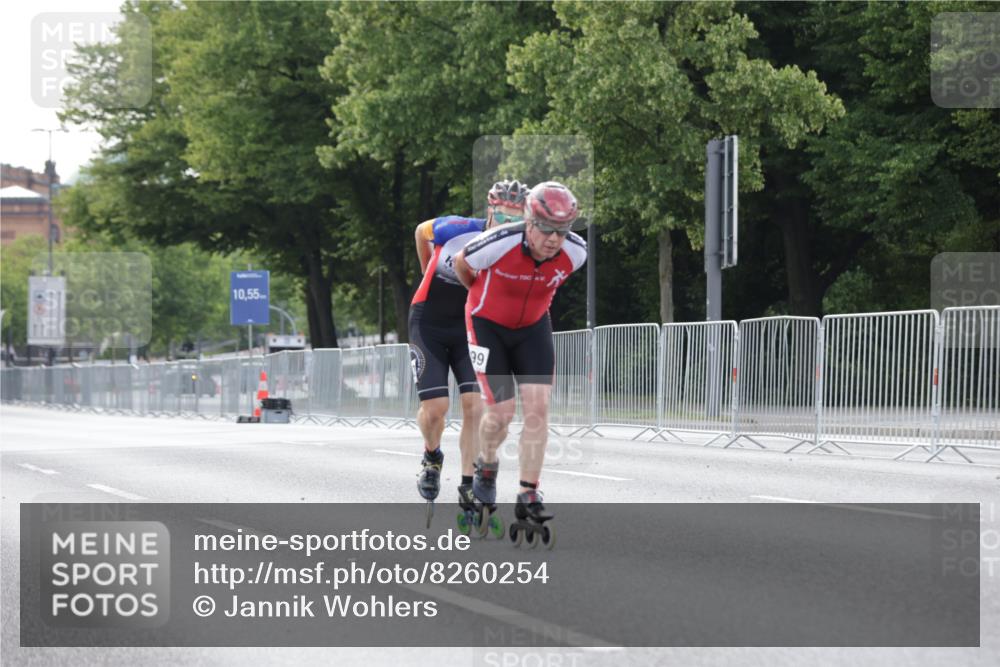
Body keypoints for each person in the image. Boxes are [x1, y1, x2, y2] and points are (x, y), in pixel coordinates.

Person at [453, 181, 586, 532]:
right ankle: (486, 463)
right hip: (487, 327)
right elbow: (460, 264)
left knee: (538, 409)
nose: (554, 238)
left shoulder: (576, 252)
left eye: (562, 230)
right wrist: (483, 296)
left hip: (532, 330)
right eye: (545, 228)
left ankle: (529, 493)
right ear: (529, 221)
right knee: (500, 412)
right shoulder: (499, 242)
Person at [411, 180, 530, 511]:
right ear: (490, 211)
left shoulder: (518, 250)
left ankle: (467, 483)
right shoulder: (458, 229)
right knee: (436, 409)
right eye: (503, 217)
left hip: (468, 328)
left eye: (516, 219)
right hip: (428, 322)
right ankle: (432, 456)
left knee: (474, 406)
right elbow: (422, 232)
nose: (509, 225)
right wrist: (426, 270)